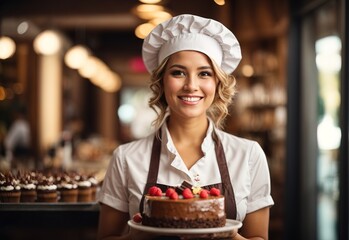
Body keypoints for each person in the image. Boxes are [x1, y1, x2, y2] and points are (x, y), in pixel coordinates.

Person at [97, 14, 274, 240]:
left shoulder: (248, 155)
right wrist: (138, 236)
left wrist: (229, 236)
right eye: (178, 72)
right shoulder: (126, 158)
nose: (191, 86)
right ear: (161, 81)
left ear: (217, 83)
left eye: (204, 74)